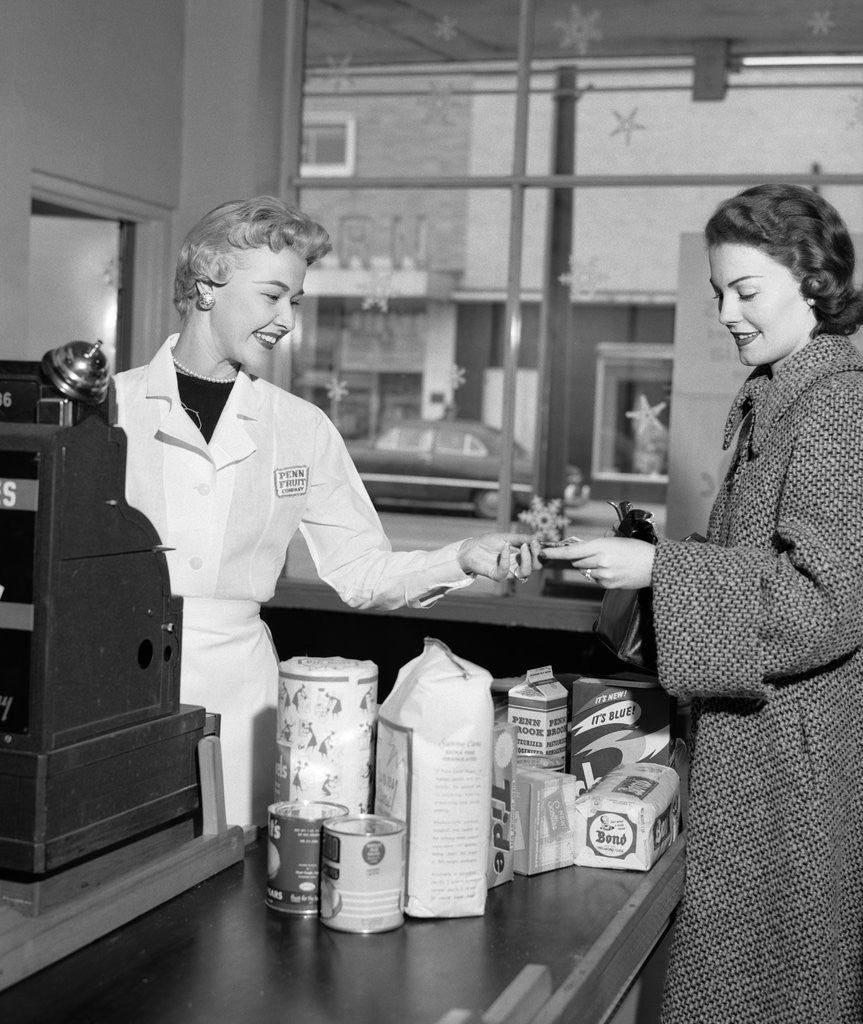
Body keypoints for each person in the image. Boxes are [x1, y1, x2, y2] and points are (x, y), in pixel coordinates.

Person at [114, 195, 539, 826]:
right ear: (207, 286)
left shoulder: (300, 427)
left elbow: (362, 572)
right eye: (272, 295)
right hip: (121, 684)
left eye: (297, 301)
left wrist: (463, 558)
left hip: (243, 699)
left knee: (235, 880)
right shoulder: (110, 409)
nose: (287, 319)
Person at [544, 184, 863, 1023]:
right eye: (718, 291)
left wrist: (659, 570)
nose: (725, 311)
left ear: (813, 279)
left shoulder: (835, 403)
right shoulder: (787, 391)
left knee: (769, 987)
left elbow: (823, 603)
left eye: (746, 290)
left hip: (788, 770)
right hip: (766, 753)